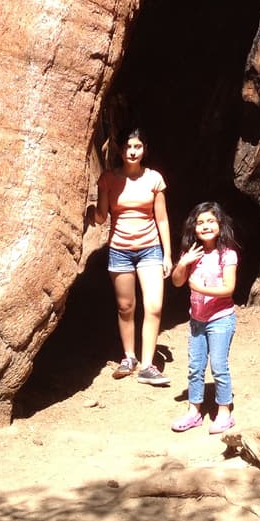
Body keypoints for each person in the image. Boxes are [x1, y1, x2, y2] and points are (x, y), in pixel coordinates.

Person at [88, 128, 172, 386]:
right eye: (127, 147)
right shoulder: (109, 179)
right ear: (120, 151)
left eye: (137, 146)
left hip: (150, 248)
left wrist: (167, 254)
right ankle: (129, 357)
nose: (132, 152)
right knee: (126, 307)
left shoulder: (154, 179)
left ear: (144, 149)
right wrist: (90, 212)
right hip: (120, 249)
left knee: (154, 306)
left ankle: (148, 366)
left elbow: (162, 218)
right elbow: (103, 216)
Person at [169, 201, 239, 433]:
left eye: (210, 221)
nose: (205, 226)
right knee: (195, 366)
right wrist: (184, 262)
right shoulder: (191, 253)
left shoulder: (227, 254)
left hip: (221, 319)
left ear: (220, 224)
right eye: (200, 223)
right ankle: (193, 412)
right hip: (197, 320)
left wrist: (201, 288)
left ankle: (224, 413)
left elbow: (228, 289)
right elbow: (177, 281)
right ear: (193, 227)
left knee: (219, 366)